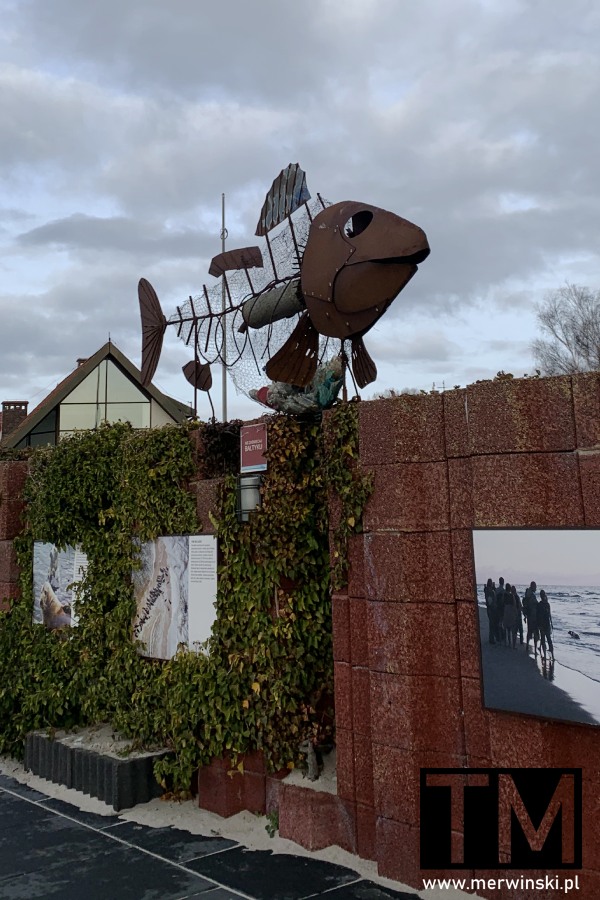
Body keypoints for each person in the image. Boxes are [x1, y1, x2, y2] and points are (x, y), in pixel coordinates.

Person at [523, 581, 539, 655]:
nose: (536, 588)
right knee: (535, 632)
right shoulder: (531, 595)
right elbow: (534, 604)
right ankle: (535, 649)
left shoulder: (527, 593)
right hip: (533, 616)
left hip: (529, 616)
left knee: (529, 632)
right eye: (535, 586)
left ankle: (527, 646)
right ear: (532, 586)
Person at [538, 589, 554, 659]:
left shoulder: (540, 604)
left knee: (544, 640)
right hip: (545, 624)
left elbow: (538, 616)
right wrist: (551, 623)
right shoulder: (546, 604)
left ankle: (545, 655)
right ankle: (551, 656)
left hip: (543, 624)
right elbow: (549, 615)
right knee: (548, 640)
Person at [502, 582, 517, 648]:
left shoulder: (504, 595)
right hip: (510, 611)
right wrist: (515, 612)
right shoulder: (511, 596)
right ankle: (512, 644)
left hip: (505, 611)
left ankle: (506, 643)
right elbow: (514, 605)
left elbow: (502, 603)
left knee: (506, 628)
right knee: (511, 628)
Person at [484, 578, 497, 644]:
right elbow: (490, 600)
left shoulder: (488, 590)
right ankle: (491, 639)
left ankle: (491, 637)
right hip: (491, 609)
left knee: (492, 623)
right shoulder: (489, 590)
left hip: (490, 608)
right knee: (492, 623)